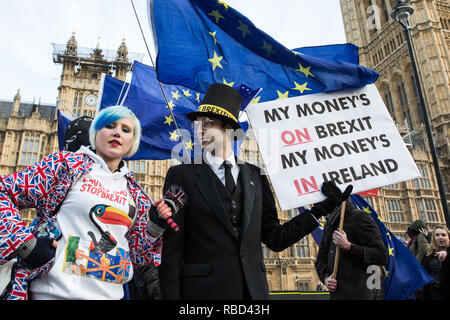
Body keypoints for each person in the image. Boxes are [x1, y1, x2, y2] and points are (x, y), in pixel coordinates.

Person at [159, 83, 351, 300]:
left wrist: (320, 210)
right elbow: (171, 254)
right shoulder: (181, 176)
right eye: (198, 125)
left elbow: (275, 238)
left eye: (208, 123)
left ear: (229, 130)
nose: (200, 129)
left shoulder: (255, 177)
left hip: (253, 294)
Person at [0, 105, 177, 300]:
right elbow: (4, 191)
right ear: (96, 133)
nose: (117, 132)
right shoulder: (66, 165)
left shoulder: (136, 192)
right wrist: (24, 243)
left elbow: (137, 255)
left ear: (132, 142)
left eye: (126, 130)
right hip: (53, 293)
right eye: (109, 126)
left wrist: (154, 226)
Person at [315, 200, 388, 300]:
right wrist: (326, 278)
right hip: (337, 296)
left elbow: (381, 255)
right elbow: (320, 260)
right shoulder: (329, 224)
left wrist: (349, 246)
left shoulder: (360, 217)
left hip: (359, 294)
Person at [421, 225, 450, 300]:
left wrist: (447, 253)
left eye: (443, 235)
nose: (440, 237)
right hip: (433, 294)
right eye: (437, 235)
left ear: (448, 237)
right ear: (433, 238)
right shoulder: (429, 254)